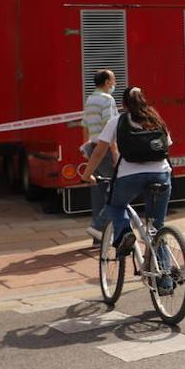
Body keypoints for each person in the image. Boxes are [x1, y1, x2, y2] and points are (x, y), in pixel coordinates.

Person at [80, 87, 174, 289]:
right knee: (157, 228)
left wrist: (87, 175)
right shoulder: (156, 119)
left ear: (123, 104)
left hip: (129, 176)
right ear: (143, 101)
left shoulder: (117, 121)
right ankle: (165, 280)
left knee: (115, 205)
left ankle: (124, 234)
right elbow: (167, 145)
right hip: (161, 174)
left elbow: (98, 152)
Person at [82, 69, 117, 246]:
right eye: (113, 80)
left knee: (97, 191)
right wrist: (115, 153)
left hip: (93, 148)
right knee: (113, 192)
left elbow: (85, 125)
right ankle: (109, 233)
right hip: (105, 150)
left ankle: (98, 237)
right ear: (106, 82)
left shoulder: (89, 100)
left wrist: (86, 147)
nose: (114, 83)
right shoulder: (107, 100)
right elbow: (109, 127)